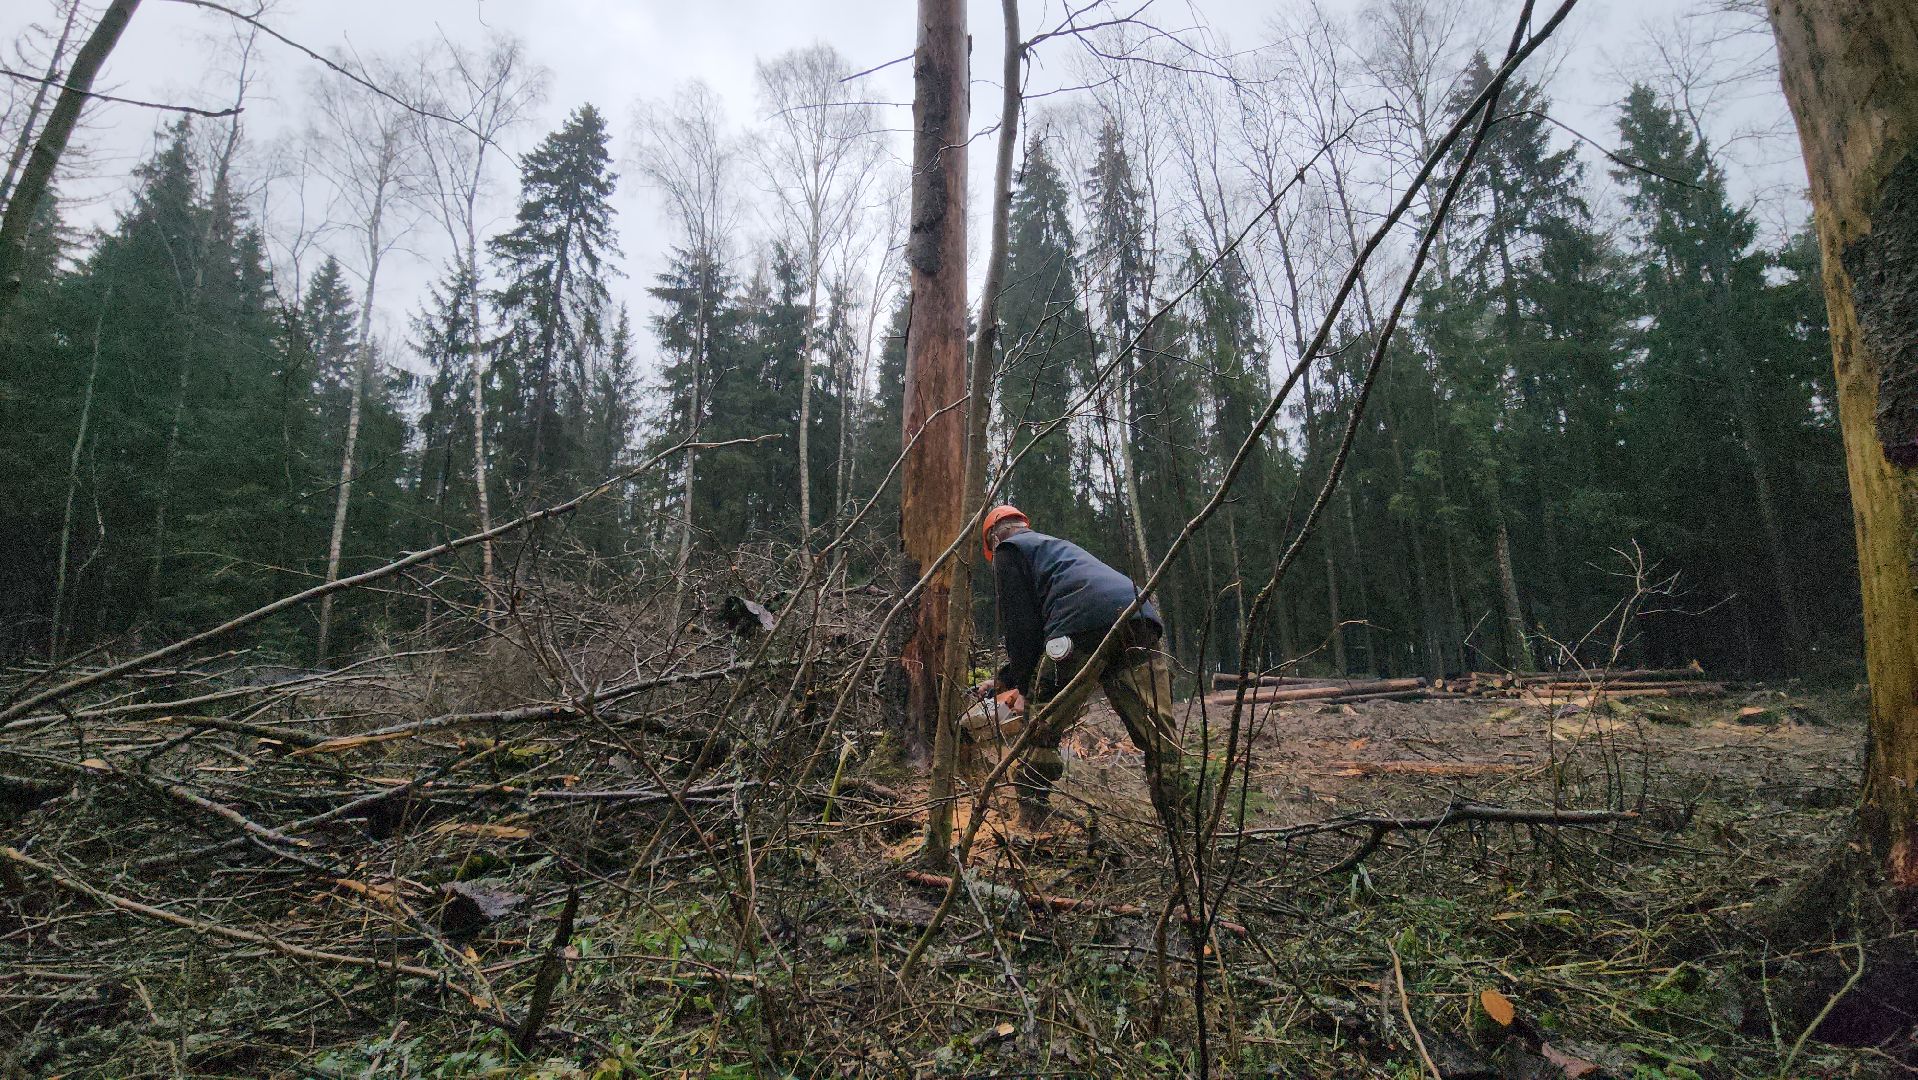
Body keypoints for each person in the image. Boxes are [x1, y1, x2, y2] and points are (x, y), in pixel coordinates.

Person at [972, 505, 1190, 830]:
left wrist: (1026, 686)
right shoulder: (1055, 550)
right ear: (1023, 524)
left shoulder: (1009, 549)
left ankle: (1031, 826)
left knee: (1040, 729)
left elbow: (1022, 627)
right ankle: (1187, 832)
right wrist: (1006, 680)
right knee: (1160, 740)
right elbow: (1048, 627)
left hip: (1080, 626)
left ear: (993, 537)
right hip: (1138, 617)